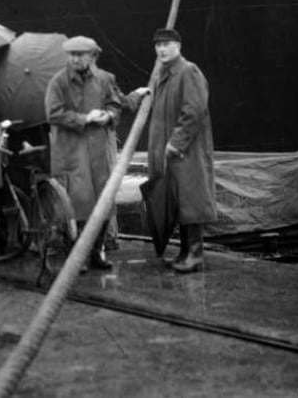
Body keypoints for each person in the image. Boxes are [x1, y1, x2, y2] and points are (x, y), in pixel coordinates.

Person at [128, 27, 217, 273]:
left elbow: (194, 110)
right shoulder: (162, 77)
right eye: (158, 45)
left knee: (191, 201)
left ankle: (196, 254)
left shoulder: (188, 71)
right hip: (169, 155)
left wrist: (176, 142)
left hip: (186, 153)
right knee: (178, 202)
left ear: (179, 46)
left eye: (167, 44)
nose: (162, 49)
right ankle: (184, 252)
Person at [44, 35, 125, 271]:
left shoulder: (104, 79)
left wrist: (110, 115)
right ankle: (75, 256)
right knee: (75, 205)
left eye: (80, 54)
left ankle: (96, 253)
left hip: (97, 151)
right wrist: (85, 118)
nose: (75, 59)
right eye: (72, 54)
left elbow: (115, 104)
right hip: (71, 151)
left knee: (102, 203)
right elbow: (54, 113)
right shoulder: (58, 82)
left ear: (93, 56)